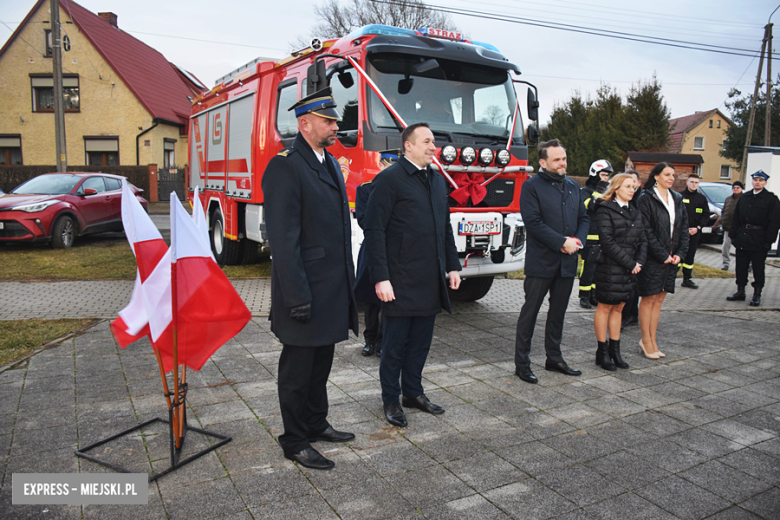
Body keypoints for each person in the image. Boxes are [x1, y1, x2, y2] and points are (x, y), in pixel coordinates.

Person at [261, 87, 359, 471]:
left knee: (322, 363)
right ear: (305, 123)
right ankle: (295, 439)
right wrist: (296, 296)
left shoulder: (330, 161)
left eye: (334, 120)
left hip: (332, 287)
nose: (335, 125)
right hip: (305, 289)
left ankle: (316, 423)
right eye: (328, 120)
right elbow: (284, 240)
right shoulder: (285, 165)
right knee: (298, 370)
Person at [363, 123, 461, 427]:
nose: (434, 147)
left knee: (421, 343)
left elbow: (443, 226)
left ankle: (413, 393)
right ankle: (391, 399)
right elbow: (374, 229)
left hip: (429, 279)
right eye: (427, 142)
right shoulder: (390, 179)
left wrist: (453, 265)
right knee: (394, 346)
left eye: (434, 142)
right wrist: (381, 277)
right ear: (408, 145)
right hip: (399, 280)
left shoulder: (435, 180)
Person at [513, 139, 589, 384]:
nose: (562, 163)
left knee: (558, 313)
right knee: (530, 313)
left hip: (568, 262)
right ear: (543, 162)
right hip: (542, 262)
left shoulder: (573, 186)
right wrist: (561, 242)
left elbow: (584, 218)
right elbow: (533, 223)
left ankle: (554, 358)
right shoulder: (531, 187)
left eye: (564, 159)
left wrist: (577, 240)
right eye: (557, 160)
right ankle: (522, 363)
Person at [592, 174, 646, 371]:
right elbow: (607, 242)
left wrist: (639, 262)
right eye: (627, 186)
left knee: (619, 309)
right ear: (616, 188)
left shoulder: (635, 210)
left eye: (634, 186)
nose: (632, 190)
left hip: (630, 268)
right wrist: (631, 263)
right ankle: (602, 351)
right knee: (605, 307)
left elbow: (643, 239)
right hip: (610, 267)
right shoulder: (605, 209)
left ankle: (615, 350)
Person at [636, 162, 689, 359]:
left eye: (673, 175)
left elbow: (683, 228)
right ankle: (645, 340)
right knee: (649, 299)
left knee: (659, 300)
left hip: (672, 259)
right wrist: (662, 254)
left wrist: (680, 254)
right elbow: (646, 231)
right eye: (667, 174)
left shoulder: (677, 198)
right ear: (656, 176)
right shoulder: (646, 198)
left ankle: (652, 339)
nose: (671, 178)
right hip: (653, 258)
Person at [355, 150, 399, 357]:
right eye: (387, 165)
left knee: (389, 300)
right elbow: (364, 220)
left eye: (395, 166)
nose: (390, 169)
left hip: (394, 250)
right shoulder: (365, 189)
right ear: (380, 166)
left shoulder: (402, 190)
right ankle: (369, 339)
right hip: (373, 248)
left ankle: (383, 341)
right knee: (371, 298)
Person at [726, 170, 780, 306]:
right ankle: (740, 291)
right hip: (743, 237)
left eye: (761, 180)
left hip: (759, 239)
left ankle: (757, 294)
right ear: (752, 181)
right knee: (741, 267)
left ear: (765, 182)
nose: (757, 182)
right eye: (755, 180)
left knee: (758, 268)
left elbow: (774, 222)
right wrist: (733, 235)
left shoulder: (771, 199)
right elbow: (736, 217)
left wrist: (769, 241)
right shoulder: (745, 197)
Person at [578, 160, 612, 309]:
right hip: (589, 236)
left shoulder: (605, 192)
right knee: (589, 267)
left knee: (599, 269)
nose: (605, 178)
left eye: (607, 176)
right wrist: (599, 191)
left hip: (603, 235)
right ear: (594, 174)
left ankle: (593, 295)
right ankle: (583, 296)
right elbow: (591, 206)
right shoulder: (585, 191)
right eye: (603, 175)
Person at [678, 174, 710, 289]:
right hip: (680, 232)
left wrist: (698, 227)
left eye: (696, 182)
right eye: (692, 182)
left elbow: (706, 215)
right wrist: (683, 228)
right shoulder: (679, 196)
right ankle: (670, 278)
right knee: (677, 254)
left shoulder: (701, 198)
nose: (694, 184)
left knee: (690, 256)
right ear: (687, 182)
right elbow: (676, 214)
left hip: (695, 232)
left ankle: (687, 279)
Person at [621, 170, 643, 328]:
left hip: (636, 253)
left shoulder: (641, 201)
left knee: (633, 288)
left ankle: (630, 315)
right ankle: (629, 315)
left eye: (633, 182)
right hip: (625, 253)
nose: (631, 186)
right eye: (627, 183)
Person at [720, 181, 744, 270]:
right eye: (734, 187)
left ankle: (746, 264)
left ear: (741, 189)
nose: (736, 189)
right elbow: (724, 211)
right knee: (726, 245)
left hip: (739, 228)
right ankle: (725, 263)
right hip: (728, 227)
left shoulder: (744, 199)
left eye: (738, 188)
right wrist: (722, 220)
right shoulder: (728, 199)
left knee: (741, 247)